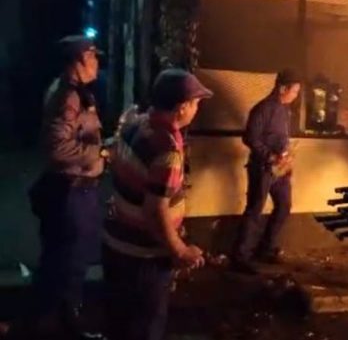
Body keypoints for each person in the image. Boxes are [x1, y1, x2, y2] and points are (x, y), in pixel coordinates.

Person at [102, 69, 212, 340]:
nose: (197, 109)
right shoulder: (167, 150)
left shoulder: (136, 123)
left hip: (115, 243)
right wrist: (181, 250)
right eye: (196, 103)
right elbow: (155, 211)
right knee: (144, 327)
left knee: (119, 324)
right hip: (143, 257)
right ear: (182, 107)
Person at [24, 35, 107, 339]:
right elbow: (56, 149)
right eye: (94, 57)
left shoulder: (74, 92)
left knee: (60, 259)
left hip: (73, 188)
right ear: (80, 60)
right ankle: (64, 325)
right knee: (71, 261)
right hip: (72, 190)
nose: (97, 63)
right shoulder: (67, 97)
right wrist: (99, 153)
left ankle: (44, 321)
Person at [233, 69, 302, 272]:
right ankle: (240, 257)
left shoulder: (284, 110)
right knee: (255, 209)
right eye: (294, 91)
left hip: (280, 169)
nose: (295, 95)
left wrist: (287, 159)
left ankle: (265, 248)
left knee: (284, 206)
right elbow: (250, 138)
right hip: (262, 168)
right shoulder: (263, 109)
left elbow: (280, 138)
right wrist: (270, 156)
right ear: (282, 88)